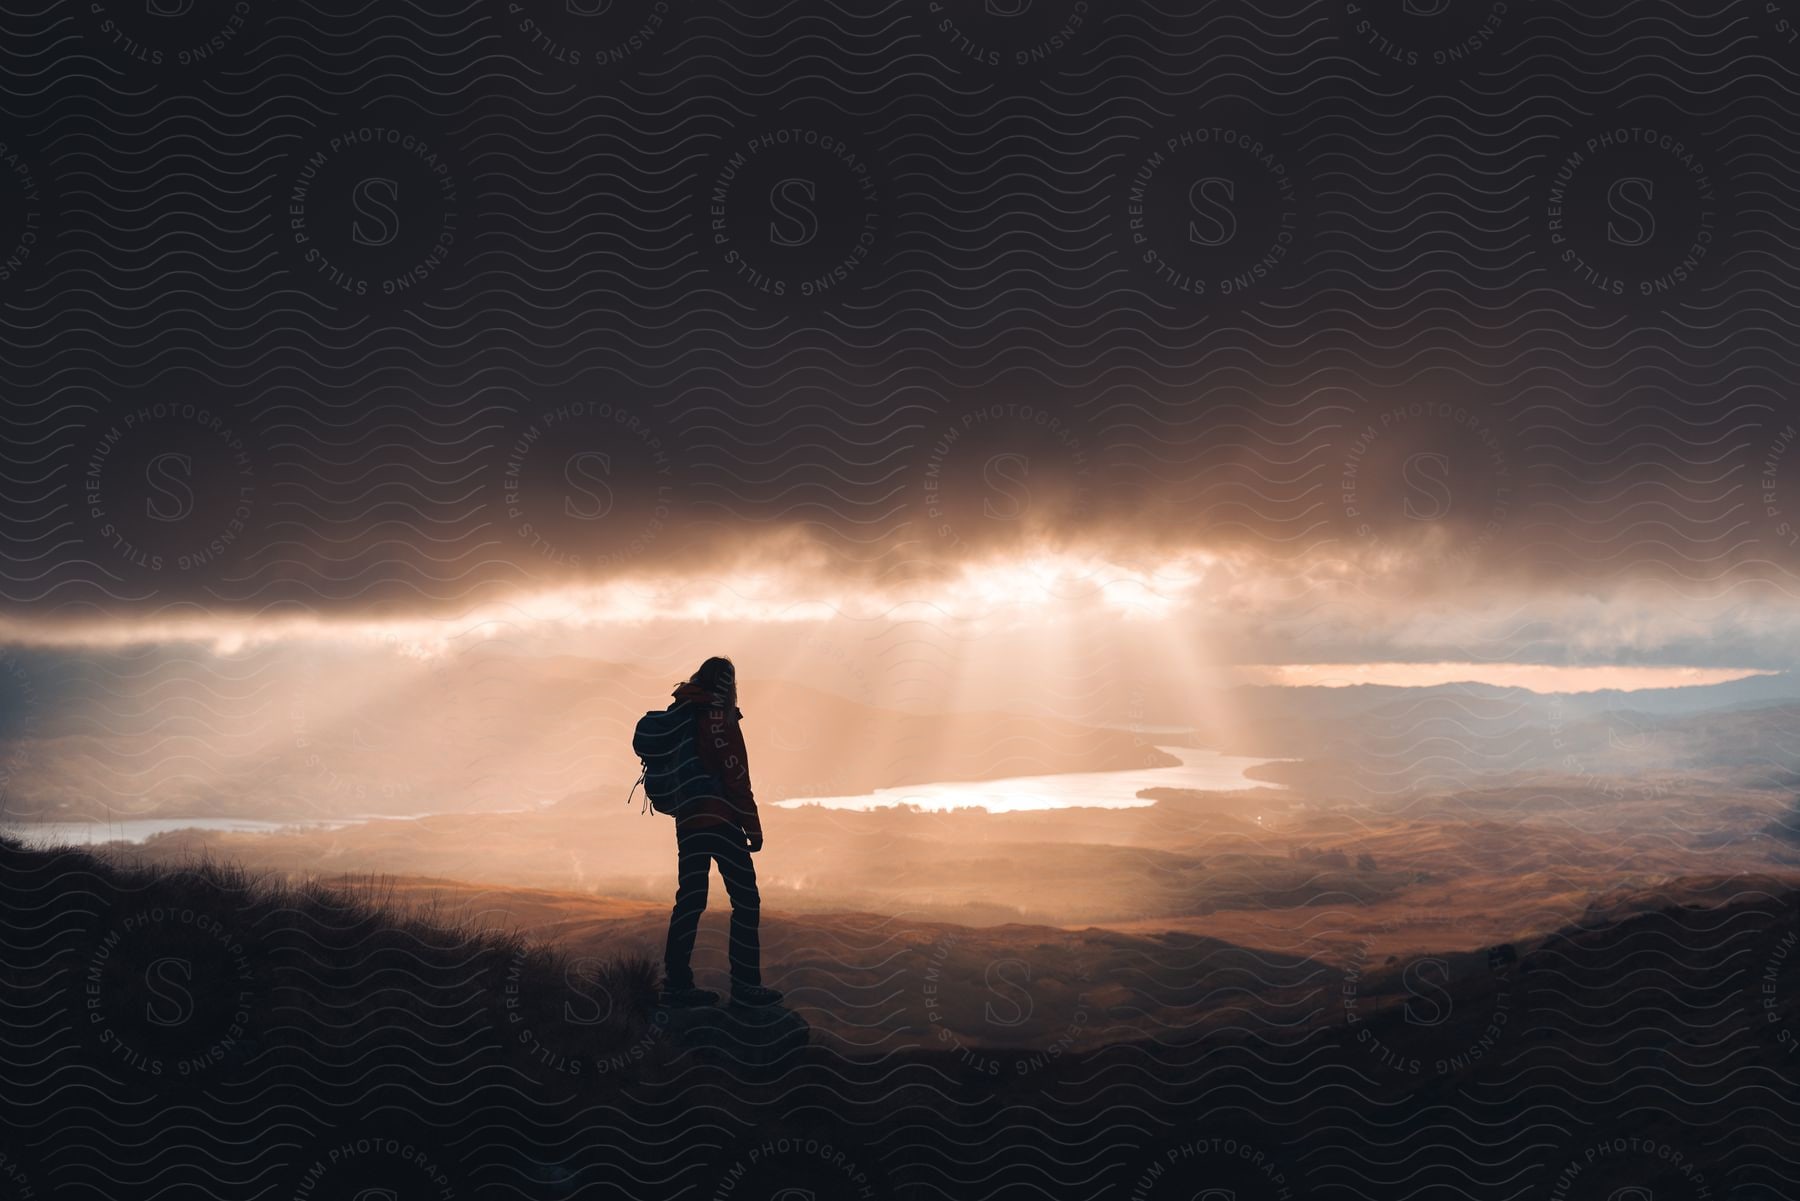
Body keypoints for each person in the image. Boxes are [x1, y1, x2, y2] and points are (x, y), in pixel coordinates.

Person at [659, 656, 783, 1008]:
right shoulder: (720, 719)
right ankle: (745, 986)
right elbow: (736, 778)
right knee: (746, 901)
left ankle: (676, 984)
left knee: (690, 900)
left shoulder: (681, 710)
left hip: (687, 822)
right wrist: (753, 827)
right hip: (722, 821)